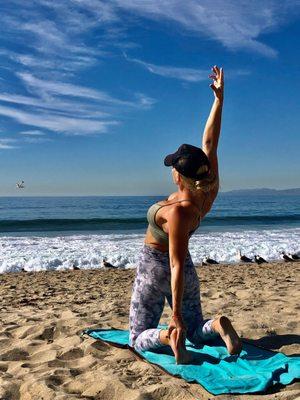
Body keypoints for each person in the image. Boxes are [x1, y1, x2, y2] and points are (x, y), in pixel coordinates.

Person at [129, 66, 242, 364]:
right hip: (186, 270)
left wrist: (175, 313)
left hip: (155, 268)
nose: (171, 170)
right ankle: (216, 325)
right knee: (195, 330)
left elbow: (175, 264)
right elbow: (210, 142)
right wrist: (219, 100)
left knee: (137, 336)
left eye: (174, 168)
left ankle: (168, 336)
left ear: (180, 177)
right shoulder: (207, 189)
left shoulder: (178, 212)